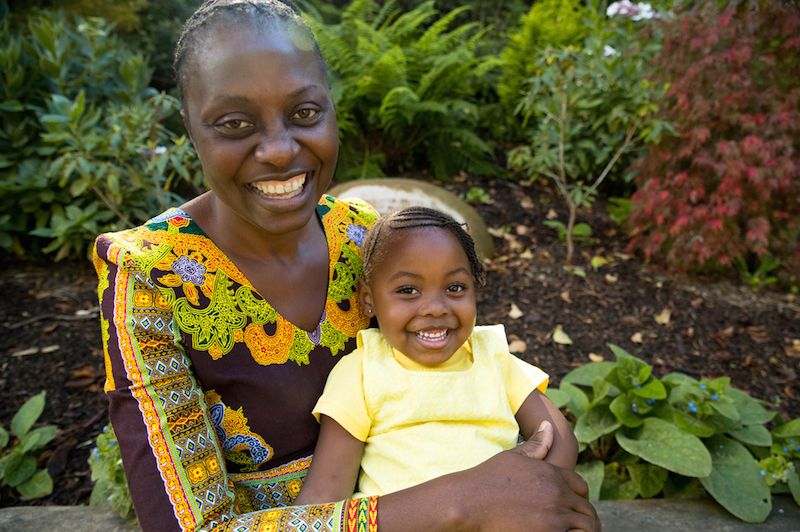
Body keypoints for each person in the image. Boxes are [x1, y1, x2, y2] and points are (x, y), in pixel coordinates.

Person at [93, 1, 600, 530]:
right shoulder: (150, 274)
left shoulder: (365, 238)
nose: (279, 149)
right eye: (235, 123)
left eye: (305, 113)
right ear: (190, 127)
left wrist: (529, 479)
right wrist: (461, 501)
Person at [294, 207, 578, 503]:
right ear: (369, 299)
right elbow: (326, 491)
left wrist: (531, 500)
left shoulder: (493, 357)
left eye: (455, 288)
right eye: (408, 290)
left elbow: (558, 441)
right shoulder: (362, 372)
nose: (435, 308)